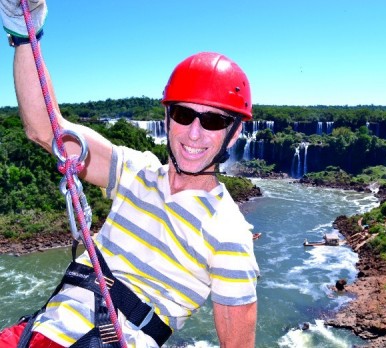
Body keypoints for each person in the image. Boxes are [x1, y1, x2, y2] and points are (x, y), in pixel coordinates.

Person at [0, 1, 259, 347]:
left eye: (213, 121)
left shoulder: (229, 234)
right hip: (34, 334)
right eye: (183, 115)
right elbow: (45, 130)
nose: (194, 133)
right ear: (167, 118)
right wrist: (23, 30)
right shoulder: (135, 171)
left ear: (234, 132)